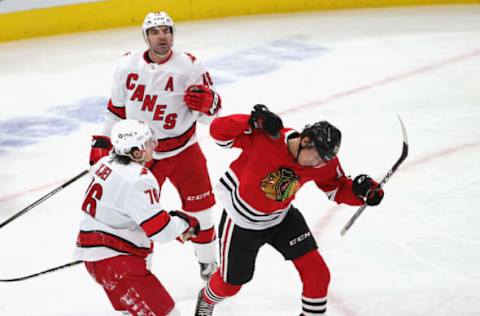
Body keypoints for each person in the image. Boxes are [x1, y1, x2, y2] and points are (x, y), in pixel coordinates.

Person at [194, 105, 385, 316]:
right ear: (305, 141)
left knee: (317, 274)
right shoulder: (267, 139)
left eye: (323, 160)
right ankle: (207, 297)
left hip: (281, 218)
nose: (318, 164)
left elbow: (337, 188)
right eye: (316, 157)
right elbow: (218, 132)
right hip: (242, 221)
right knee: (232, 284)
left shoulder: (322, 162)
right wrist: (251, 120)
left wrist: (362, 193)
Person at [89, 11, 221, 280]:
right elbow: (116, 110)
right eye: (155, 31)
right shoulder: (127, 65)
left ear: (173, 34)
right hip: (141, 156)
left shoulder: (190, 66)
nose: (162, 36)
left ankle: (208, 263)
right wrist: (103, 140)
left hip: (185, 150)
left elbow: (213, 114)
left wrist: (209, 104)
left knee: (202, 212)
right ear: (146, 37)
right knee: (138, 217)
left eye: (166, 30)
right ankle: (142, 270)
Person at [74, 119, 200, 315]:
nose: (154, 145)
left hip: (100, 258)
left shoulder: (103, 162)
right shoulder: (138, 179)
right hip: (119, 264)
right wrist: (183, 223)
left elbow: (125, 211)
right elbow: (161, 231)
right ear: (136, 152)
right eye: (149, 142)